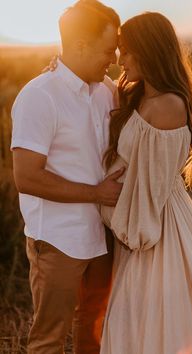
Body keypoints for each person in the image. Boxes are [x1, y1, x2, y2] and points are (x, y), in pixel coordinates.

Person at [100, 12, 192, 354]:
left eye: (127, 50)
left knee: (158, 317)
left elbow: (152, 189)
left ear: (149, 50)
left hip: (153, 227)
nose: (120, 59)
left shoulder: (169, 105)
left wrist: (132, 232)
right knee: (136, 316)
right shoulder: (140, 96)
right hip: (135, 221)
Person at [10, 1, 123, 353]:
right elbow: (27, 178)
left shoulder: (106, 90)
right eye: (108, 49)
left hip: (101, 234)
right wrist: (97, 193)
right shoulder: (39, 97)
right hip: (57, 240)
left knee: (92, 324)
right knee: (49, 338)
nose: (114, 58)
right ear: (79, 46)